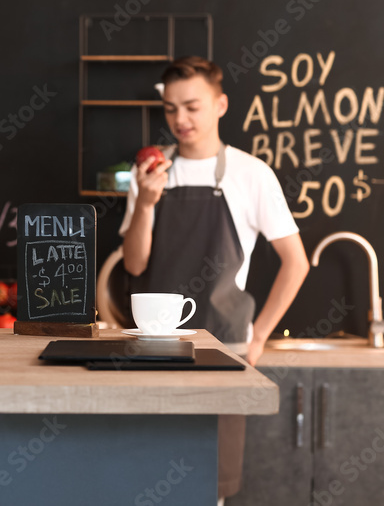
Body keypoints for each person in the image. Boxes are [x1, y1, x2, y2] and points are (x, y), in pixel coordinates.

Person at [119, 56, 309, 500]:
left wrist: (258, 335)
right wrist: (146, 203)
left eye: (192, 106)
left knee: (211, 484)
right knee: (148, 475)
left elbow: (295, 261)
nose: (180, 119)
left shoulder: (251, 174)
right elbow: (132, 265)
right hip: (154, 347)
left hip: (224, 345)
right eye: (170, 108)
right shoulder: (149, 171)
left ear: (220, 104)